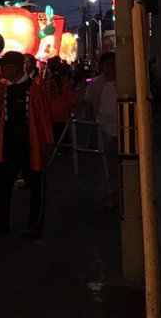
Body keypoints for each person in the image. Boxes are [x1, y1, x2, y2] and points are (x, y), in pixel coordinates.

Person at [0, 51, 53, 239]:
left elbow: (43, 118)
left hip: (30, 144)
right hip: (7, 145)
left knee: (36, 185)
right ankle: (0, 221)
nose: (0, 70)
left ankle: (34, 223)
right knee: (1, 184)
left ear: (13, 67)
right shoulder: (3, 88)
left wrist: (46, 143)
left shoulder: (34, 89)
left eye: (2, 67)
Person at [84, 51, 118, 209]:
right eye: (108, 64)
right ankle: (112, 195)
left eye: (114, 64)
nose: (111, 68)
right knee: (109, 164)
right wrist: (91, 123)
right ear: (102, 66)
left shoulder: (125, 82)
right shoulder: (96, 83)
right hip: (104, 128)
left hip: (125, 128)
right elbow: (88, 104)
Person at [42, 56, 76, 148]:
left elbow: (42, 98)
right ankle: (62, 148)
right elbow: (72, 100)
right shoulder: (64, 84)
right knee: (62, 133)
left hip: (49, 113)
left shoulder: (45, 84)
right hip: (63, 113)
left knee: (53, 133)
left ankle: (54, 149)